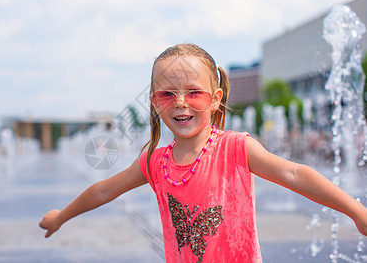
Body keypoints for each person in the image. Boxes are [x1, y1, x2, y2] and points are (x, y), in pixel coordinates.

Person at [39, 43, 367, 262]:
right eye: (168, 94)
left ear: (215, 97)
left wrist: (355, 210)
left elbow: (296, 174)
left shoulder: (236, 148)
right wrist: (61, 216)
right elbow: (104, 189)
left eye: (194, 92)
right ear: (155, 101)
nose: (181, 102)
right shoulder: (155, 162)